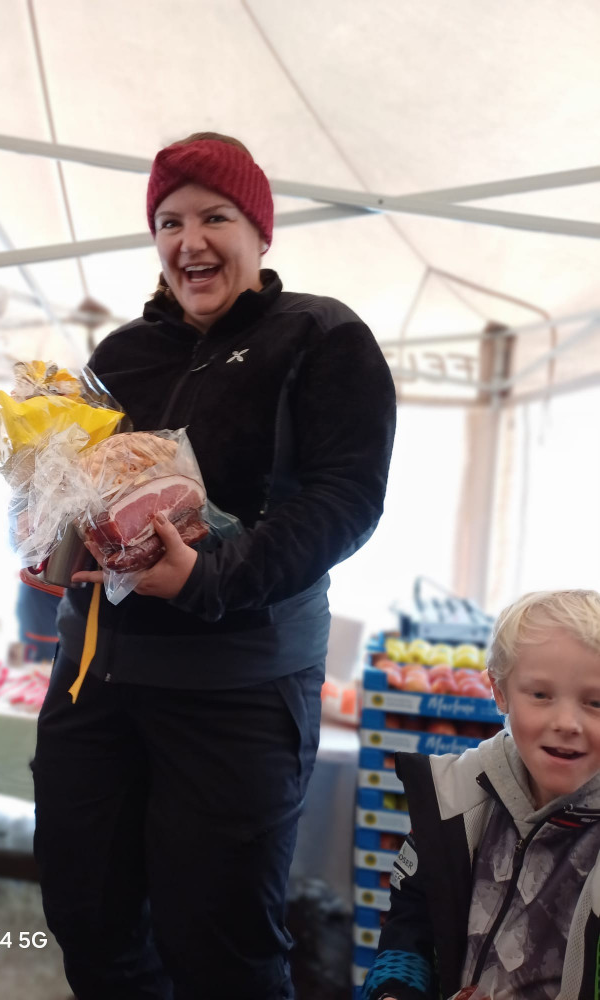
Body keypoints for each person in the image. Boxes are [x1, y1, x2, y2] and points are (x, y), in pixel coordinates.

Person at [31, 132, 396, 1000]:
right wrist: (56, 535)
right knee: (89, 921)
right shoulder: (120, 357)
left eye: (214, 217)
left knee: (219, 946)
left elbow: (346, 498)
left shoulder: (322, 337)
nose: (189, 241)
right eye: (169, 222)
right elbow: (90, 491)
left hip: (238, 691)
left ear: (260, 231)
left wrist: (209, 577)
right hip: (95, 683)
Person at [363, 589, 600, 1000]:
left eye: (596, 702)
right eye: (540, 695)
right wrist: (395, 993)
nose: (566, 722)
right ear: (500, 691)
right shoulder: (454, 800)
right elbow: (411, 924)